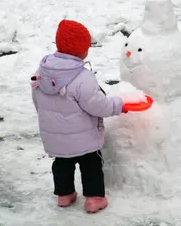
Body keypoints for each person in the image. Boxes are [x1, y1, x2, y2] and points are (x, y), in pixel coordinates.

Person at [31, 19, 132, 213]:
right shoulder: (83, 78)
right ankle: (94, 199)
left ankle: (64, 195)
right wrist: (119, 105)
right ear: (80, 51)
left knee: (61, 164)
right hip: (84, 138)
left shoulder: (42, 72)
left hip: (55, 137)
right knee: (91, 165)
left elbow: (37, 99)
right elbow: (98, 106)